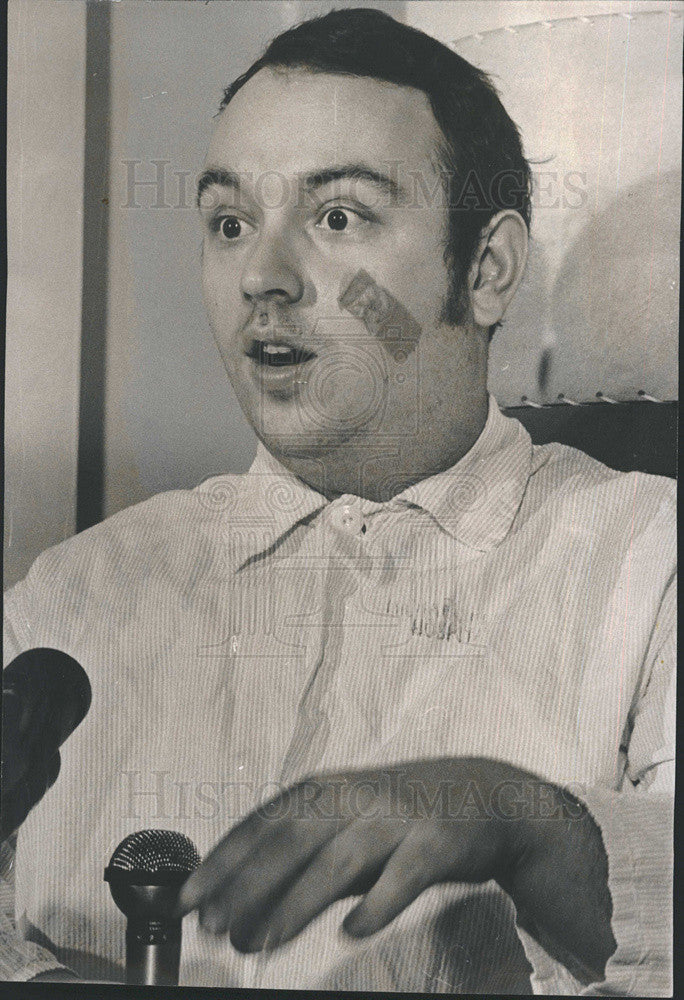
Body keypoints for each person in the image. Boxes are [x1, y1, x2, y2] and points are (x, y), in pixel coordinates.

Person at [2, 8, 674, 994]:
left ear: (485, 271)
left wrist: (537, 828)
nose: (263, 280)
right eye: (230, 223)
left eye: (338, 217)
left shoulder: (651, 562)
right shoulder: (72, 594)